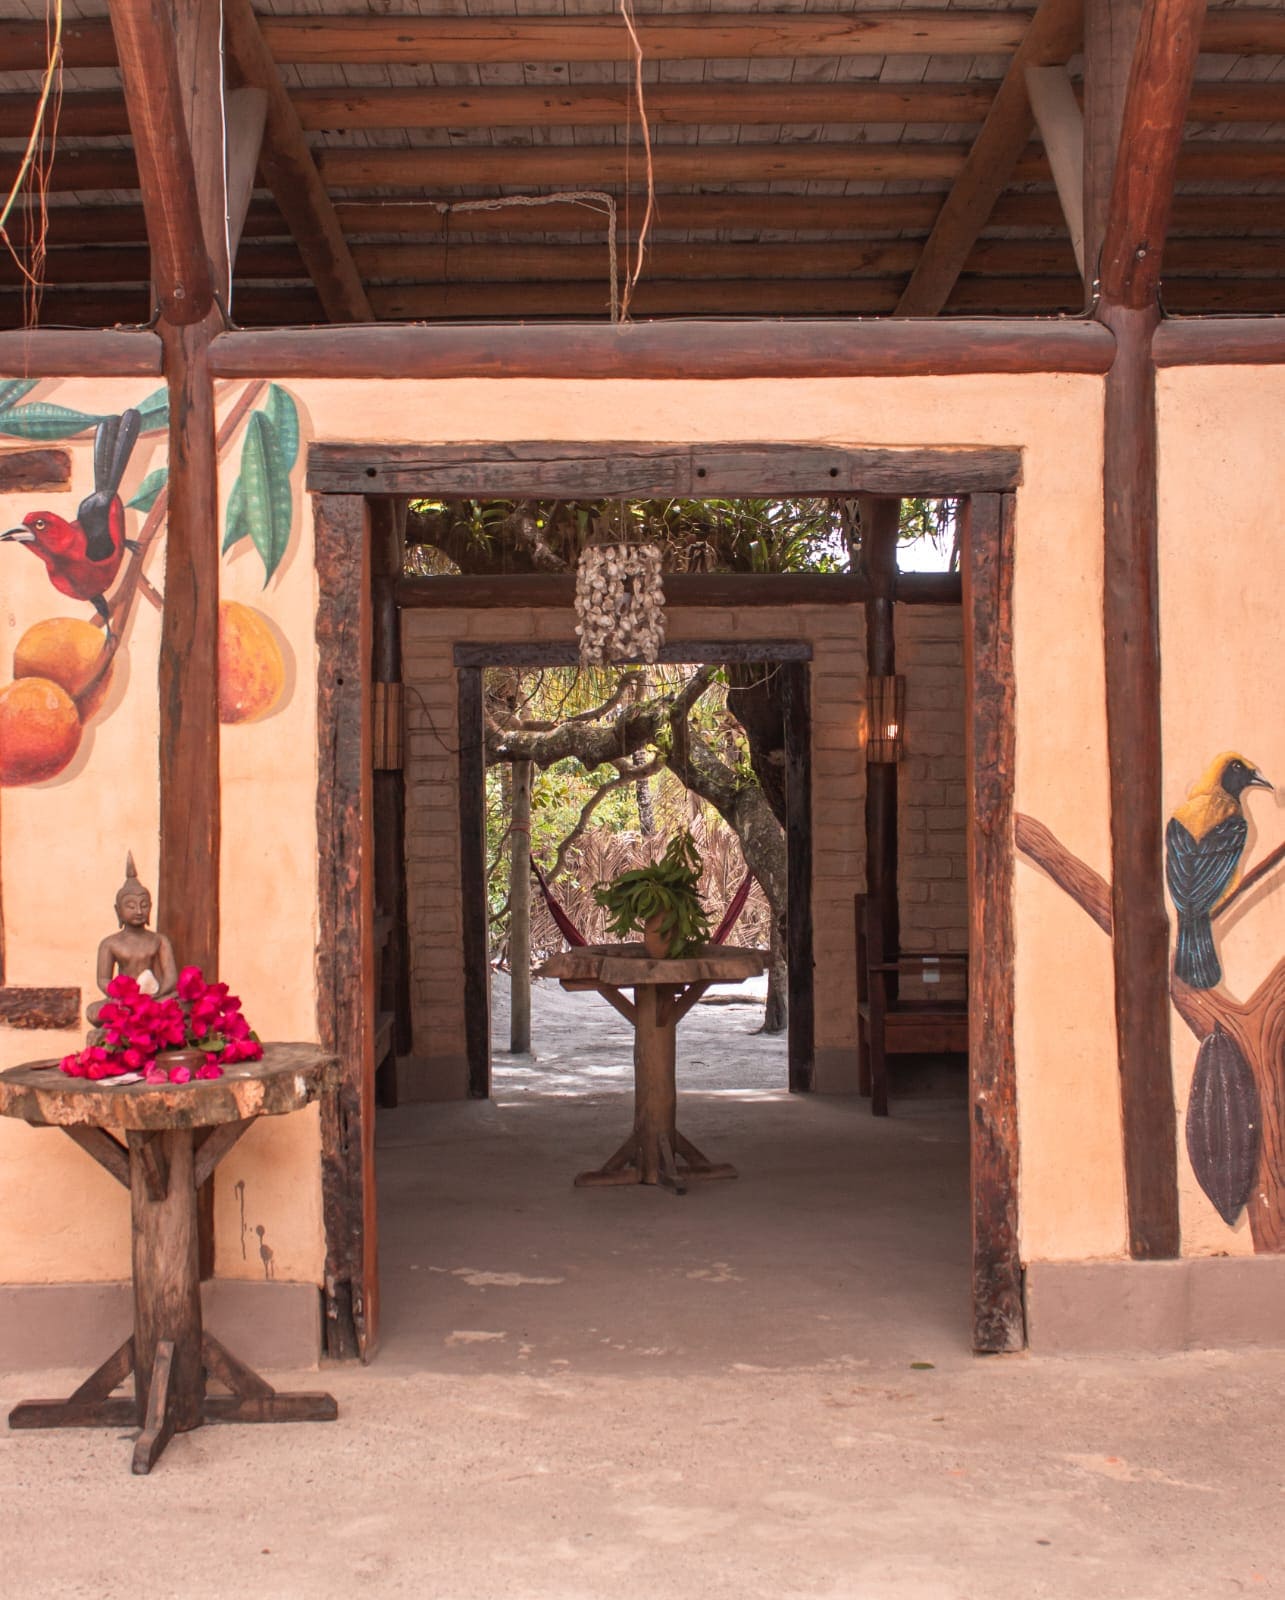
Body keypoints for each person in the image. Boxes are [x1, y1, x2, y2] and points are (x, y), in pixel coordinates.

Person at [85, 853, 178, 1025]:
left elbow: (171, 977)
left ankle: (145, 1010)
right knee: (93, 1011)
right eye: (131, 906)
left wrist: (157, 995)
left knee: (181, 1003)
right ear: (118, 911)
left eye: (144, 905)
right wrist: (122, 996)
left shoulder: (159, 940)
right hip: (124, 1001)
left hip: (155, 997)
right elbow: (103, 980)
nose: (139, 911)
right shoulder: (109, 943)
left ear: (150, 908)